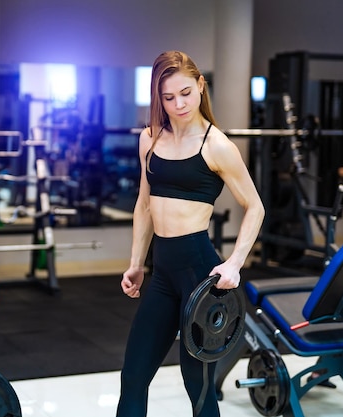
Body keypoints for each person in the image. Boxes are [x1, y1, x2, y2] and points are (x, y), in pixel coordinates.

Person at [117, 51, 265, 417]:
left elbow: (256, 207)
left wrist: (235, 263)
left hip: (200, 275)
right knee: (133, 376)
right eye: (168, 97)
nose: (178, 104)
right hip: (163, 274)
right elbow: (144, 205)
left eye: (185, 92)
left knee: (197, 385)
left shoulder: (216, 146)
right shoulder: (149, 138)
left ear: (200, 86)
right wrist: (136, 263)